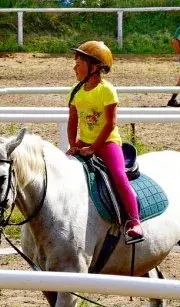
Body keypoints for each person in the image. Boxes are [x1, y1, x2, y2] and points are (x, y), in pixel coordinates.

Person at [65, 41, 143, 244]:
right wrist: (73, 144)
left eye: (79, 63)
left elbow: (110, 124)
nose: (75, 68)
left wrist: (93, 148)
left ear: (94, 67)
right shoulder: (76, 91)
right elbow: (73, 120)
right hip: (84, 141)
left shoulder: (107, 91)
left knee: (118, 176)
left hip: (107, 143)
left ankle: (134, 221)